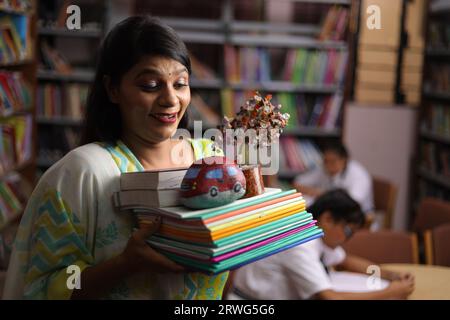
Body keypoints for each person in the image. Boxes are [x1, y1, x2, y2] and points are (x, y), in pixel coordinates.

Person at [3, 16, 227, 300]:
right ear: (112, 89)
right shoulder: (82, 172)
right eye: (150, 85)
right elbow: (45, 287)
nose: (171, 99)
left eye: (180, 83)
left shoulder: (211, 158)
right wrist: (124, 265)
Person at [229, 189, 415, 300]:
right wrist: (390, 292)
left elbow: (346, 261)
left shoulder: (312, 229)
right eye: (348, 231)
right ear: (327, 219)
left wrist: (391, 275)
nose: (347, 239)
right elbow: (330, 297)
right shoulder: (299, 243)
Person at [293, 141, 374, 214]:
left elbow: (352, 204)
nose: (328, 166)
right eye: (325, 161)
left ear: (344, 159)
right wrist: (314, 192)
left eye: (333, 161)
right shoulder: (324, 169)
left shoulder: (359, 175)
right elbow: (297, 183)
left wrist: (323, 195)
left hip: (356, 216)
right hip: (332, 212)